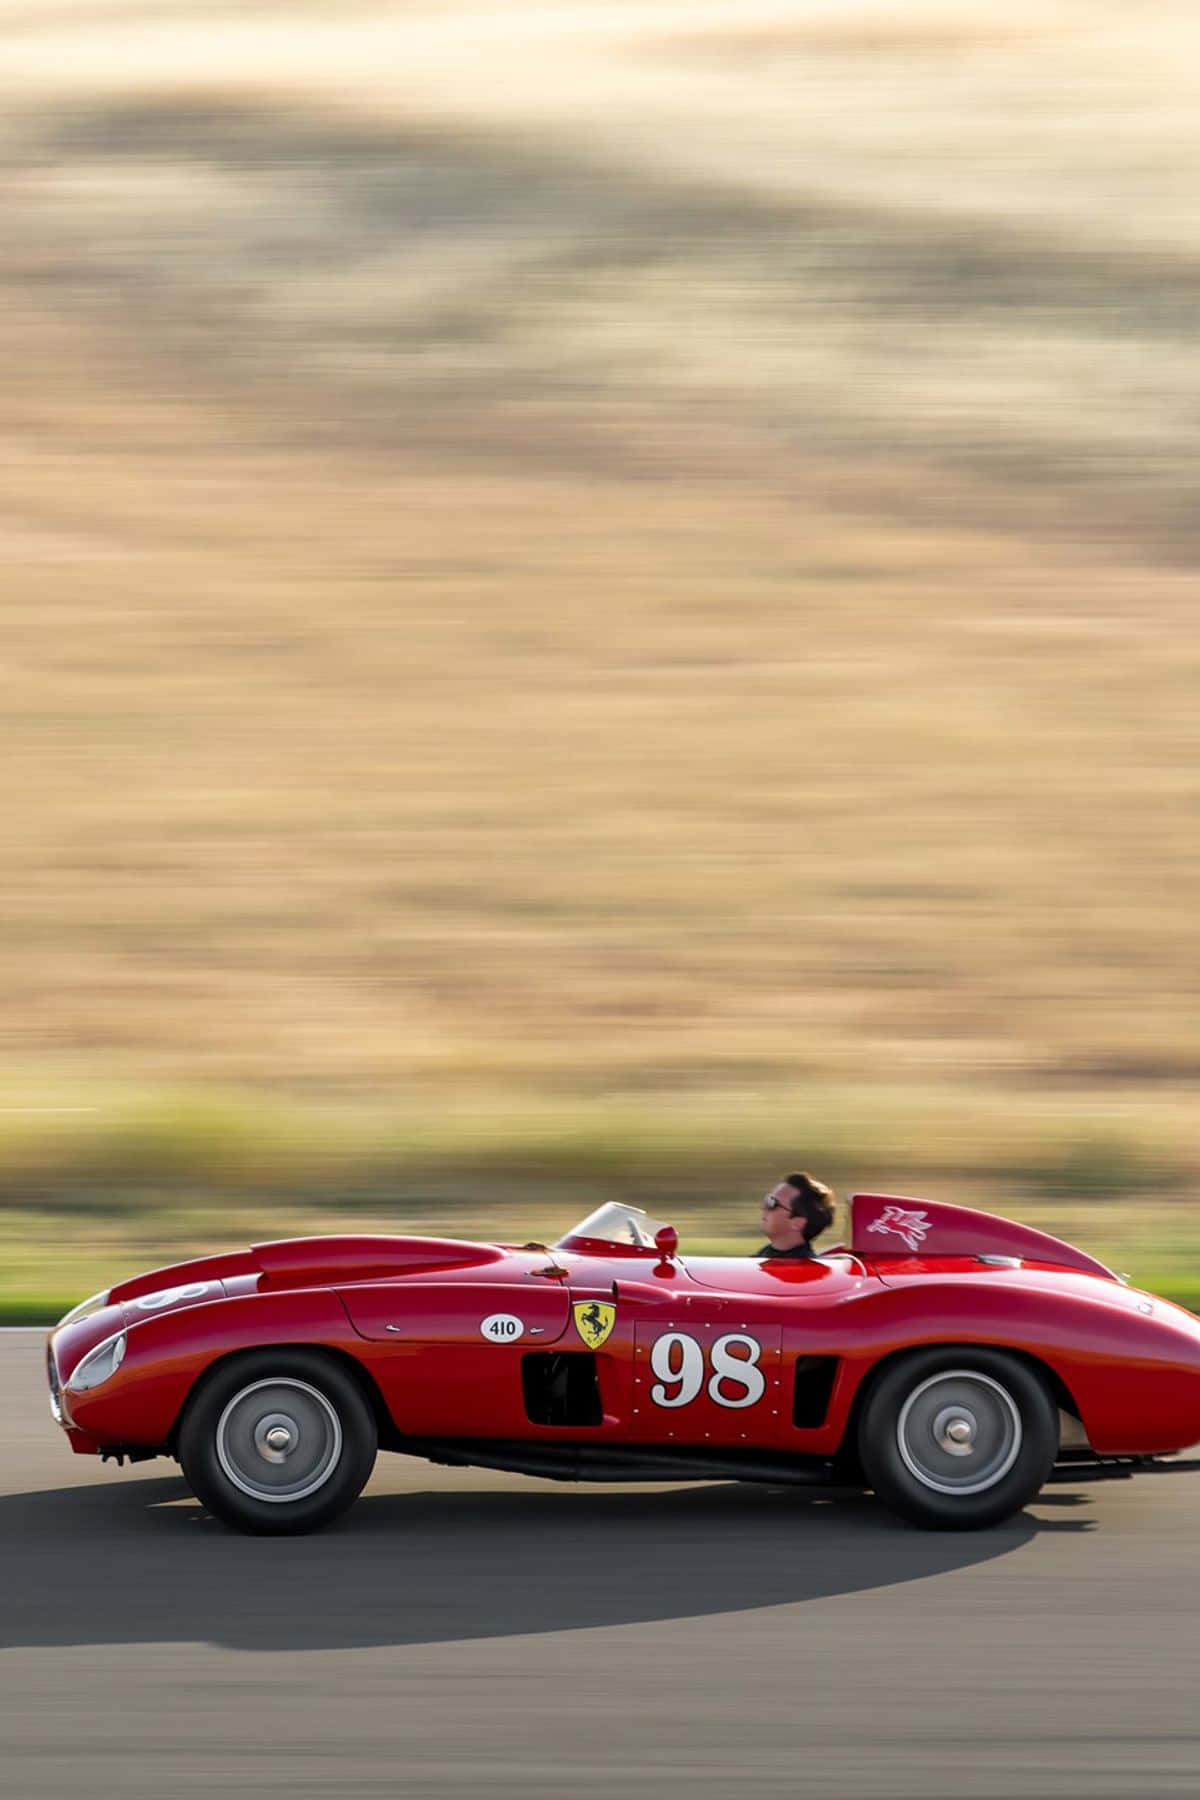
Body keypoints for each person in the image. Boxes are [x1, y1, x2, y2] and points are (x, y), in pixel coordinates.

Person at [756, 1171, 835, 1259]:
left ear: (797, 1223)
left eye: (773, 1203)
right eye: (767, 1200)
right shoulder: (761, 1259)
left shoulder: (803, 1270)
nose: (764, 1207)